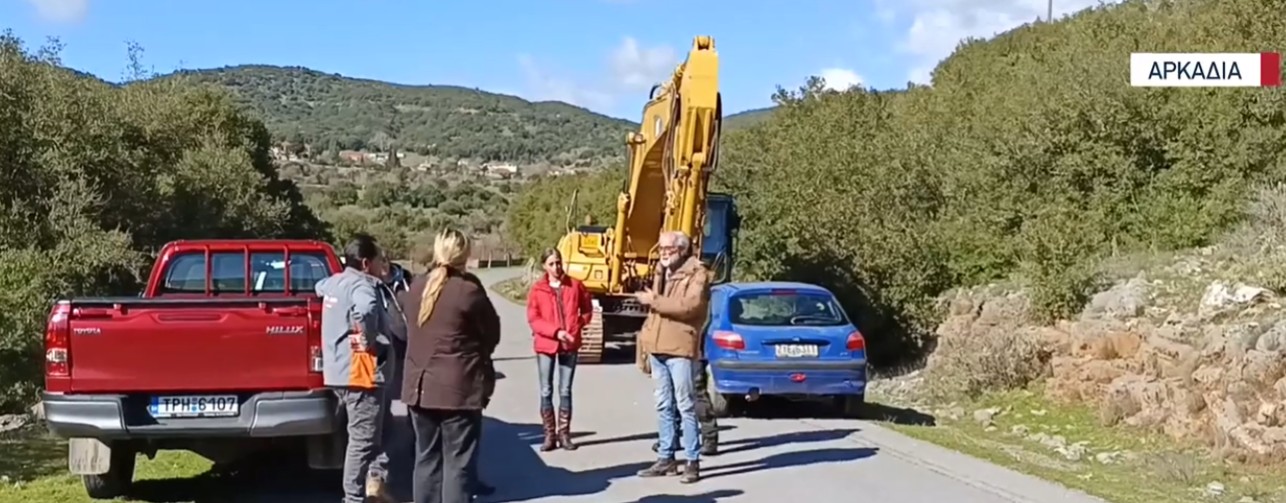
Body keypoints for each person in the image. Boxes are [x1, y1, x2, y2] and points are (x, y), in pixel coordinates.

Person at [398, 229, 501, 503]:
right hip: (458, 390)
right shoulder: (468, 290)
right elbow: (492, 333)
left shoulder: (416, 287)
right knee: (458, 464)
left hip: (419, 388)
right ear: (465, 254)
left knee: (426, 459)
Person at [315, 233, 395, 503]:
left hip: (338, 372)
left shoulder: (333, 283)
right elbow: (367, 308)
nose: (381, 265)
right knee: (362, 441)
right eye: (378, 260)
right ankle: (353, 498)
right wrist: (368, 337)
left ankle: (375, 490)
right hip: (360, 374)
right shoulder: (362, 285)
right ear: (365, 263)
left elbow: (318, 286)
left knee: (370, 435)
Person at [633, 230, 712, 484]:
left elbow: (689, 307)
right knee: (663, 405)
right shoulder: (661, 270)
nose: (663, 253)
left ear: (682, 249)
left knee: (685, 405)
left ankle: (692, 461)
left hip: (679, 348)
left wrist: (654, 300)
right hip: (657, 346)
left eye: (668, 249)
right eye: (661, 249)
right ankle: (666, 457)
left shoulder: (697, 273)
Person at [525, 248, 593, 451]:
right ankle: (549, 435)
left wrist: (578, 325)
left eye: (558, 262)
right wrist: (556, 332)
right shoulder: (538, 290)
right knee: (546, 390)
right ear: (544, 266)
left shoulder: (575, 285)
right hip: (546, 343)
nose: (556, 267)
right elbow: (534, 319)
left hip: (569, 344)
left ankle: (564, 434)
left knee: (565, 390)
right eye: (552, 264)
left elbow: (587, 309)